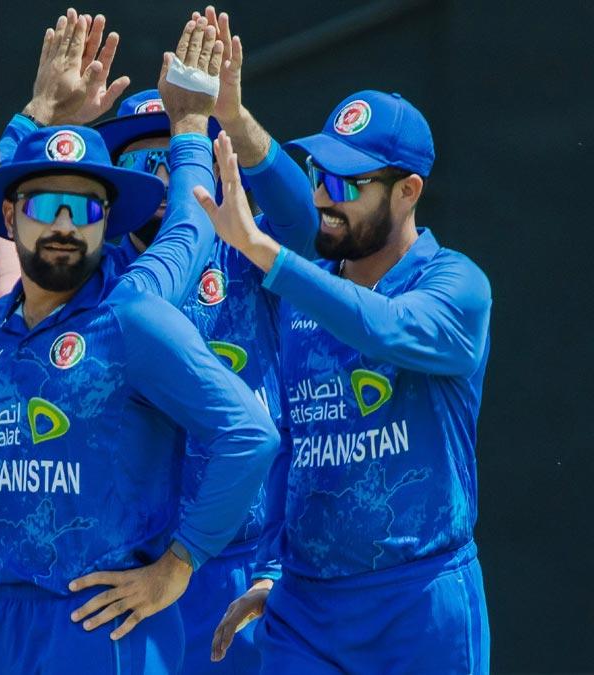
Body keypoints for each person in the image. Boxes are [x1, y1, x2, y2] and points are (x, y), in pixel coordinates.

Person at [0, 15, 280, 674]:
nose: (67, 226)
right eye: (47, 207)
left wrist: (177, 565)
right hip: (6, 627)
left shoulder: (132, 315)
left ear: (109, 220)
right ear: (10, 217)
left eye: (87, 208)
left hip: (105, 630)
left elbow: (250, 433)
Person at [199, 92, 492, 674]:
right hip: (305, 611)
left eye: (347, 185)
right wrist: (273, 568)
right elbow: (295, 441)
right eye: (320, 174)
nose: (321, 200)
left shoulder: (457, 285)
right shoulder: (306, 287)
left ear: (408, 191)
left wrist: (266, 253)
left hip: (420, 601)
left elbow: (385, 327)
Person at [92, 8, 318, 672]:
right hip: (131, 567)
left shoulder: (237, 251)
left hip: (238, 562)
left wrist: (235, 119)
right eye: (145, 161)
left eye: (175, 153)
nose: (164, 177)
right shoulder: (99, 272)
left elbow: (307, 229)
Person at [0, 12, 135, 674]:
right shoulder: (40, 323)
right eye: (44, 209)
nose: (60, 226)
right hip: (18, 597)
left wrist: (33, 117)